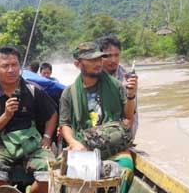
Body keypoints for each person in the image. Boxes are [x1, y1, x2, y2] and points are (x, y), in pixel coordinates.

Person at [0, 46, 58, 193]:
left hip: (32, 142)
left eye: (14, 65)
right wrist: (6, 115)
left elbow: (52, 114)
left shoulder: (33, 90)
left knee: (51, 172)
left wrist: (47, 138)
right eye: (5, 66)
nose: (11, 70)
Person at [59, 41, 138, 173]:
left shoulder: (116, 86)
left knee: (126, 168)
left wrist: (130, 96)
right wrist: (73, 142)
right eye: (91, 60)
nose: (98, 63)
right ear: (78, 64)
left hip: (112, 145)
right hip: (83, 146)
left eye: (99, 58)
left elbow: (128, 118)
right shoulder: (69, 93)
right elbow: (65, 124)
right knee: (68, 174)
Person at [96, 35, 139, 137]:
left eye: (116, 55)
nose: (113, 60)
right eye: (109, 56)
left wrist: (130, 93)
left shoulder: (127, 80)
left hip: (121, 130)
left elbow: (131, 115)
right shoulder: (93, 76)